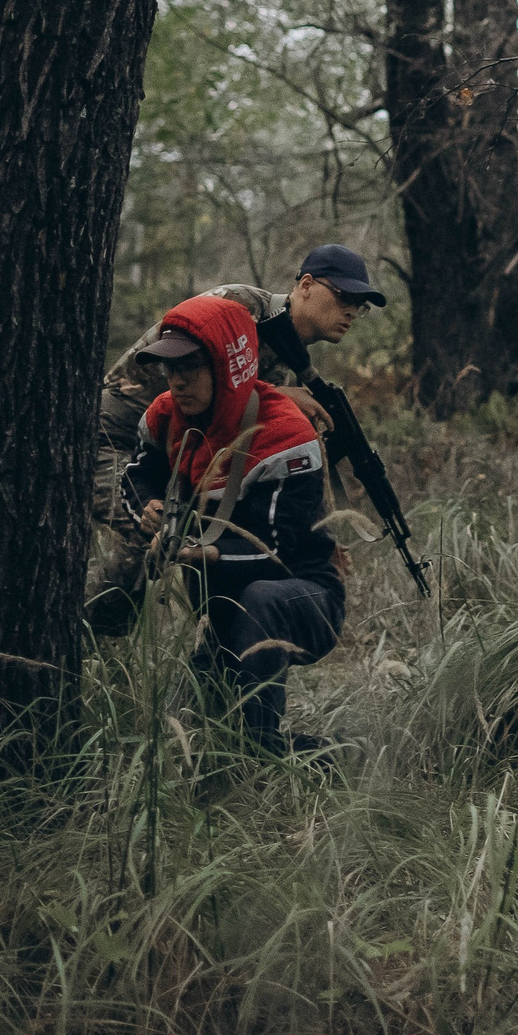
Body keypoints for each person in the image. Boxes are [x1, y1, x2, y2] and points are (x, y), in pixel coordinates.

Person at [118, 294, 345, 754]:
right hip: (222, 605)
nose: (177, 382)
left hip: (301, 598)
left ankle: (303, 754)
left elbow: (281, 553)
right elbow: (138, 472)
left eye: (191, 368)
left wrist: (206, 553)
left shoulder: (286, 438)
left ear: (228, 367)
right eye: (169, 369)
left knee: (261, 601)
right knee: (193, 734)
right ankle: (281, 748)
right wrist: (149, 506)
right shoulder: (167, 415)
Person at [93, 244, 386, 531]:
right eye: (343, 297)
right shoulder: (237, 305)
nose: (351, 311)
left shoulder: (293, 366)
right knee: (158, 532)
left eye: (360, 306)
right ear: (306, 285)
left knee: (191, 538)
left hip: (168, 451)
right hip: (112, 435)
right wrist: (274, 397)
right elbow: (182, 360)